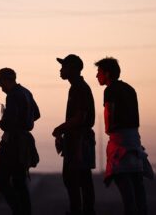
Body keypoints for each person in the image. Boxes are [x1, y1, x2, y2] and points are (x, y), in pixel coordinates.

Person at [95, 57, 153, 215]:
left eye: (99, 72)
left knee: (127, 194)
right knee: (138, 191)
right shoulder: (129, 89)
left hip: (120, 143)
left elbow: (109, 114)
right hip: (134, 141)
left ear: (107, 74)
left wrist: (109, 130)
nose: (97, 76)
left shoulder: (110, 90)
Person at [52, 54, 96, 215]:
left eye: (63, 67)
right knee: (80, 179)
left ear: (72, 68)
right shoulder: (77, 87)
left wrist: (60, 129)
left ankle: (81, 211)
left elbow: (80, 117)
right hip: (77, 139)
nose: (61, 70)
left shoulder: (79, 87)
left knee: (75, 179)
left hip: (79, 141)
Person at [0, 67, 40, 215]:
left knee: (1, 180)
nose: (1, 88)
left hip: (12, 143)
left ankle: (18, 210)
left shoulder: (12, 95)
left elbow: (10, 121)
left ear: (7, 80)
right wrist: (25, 122)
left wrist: (2, 123)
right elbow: (37, 114)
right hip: (24, 142)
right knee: (20, 182)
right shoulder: (26, 92)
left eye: (1, 84)